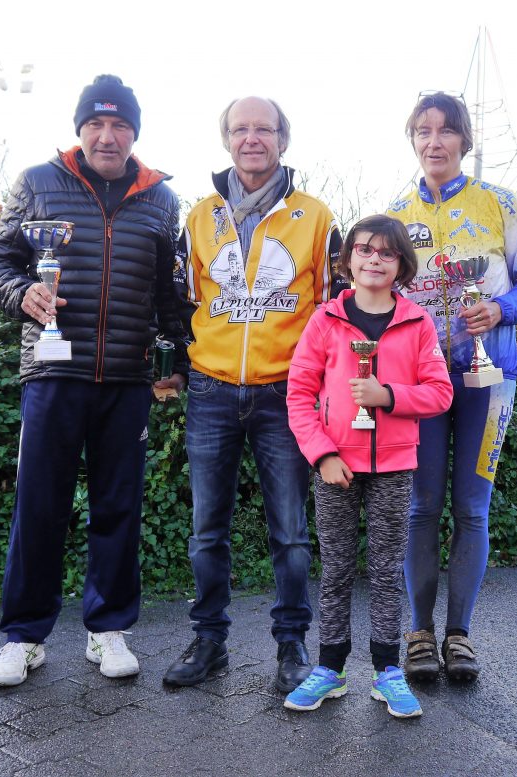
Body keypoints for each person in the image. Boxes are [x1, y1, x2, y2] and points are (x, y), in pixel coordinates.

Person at [0, 74, 188, 687]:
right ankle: (23, 637)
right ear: (79, 129)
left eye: (120, 124)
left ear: (134, 133)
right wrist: (24, 294)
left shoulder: (160, 200)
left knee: (118, 506)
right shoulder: (37, 182)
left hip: (126, 378)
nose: (107, 135)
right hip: (51, 372)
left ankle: (108, 629)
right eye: (96, 124)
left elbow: (168, 294)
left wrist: (173, 365)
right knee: (38, 504)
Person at [162, 96, 345, 692]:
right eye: (239, 129)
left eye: (263, 129)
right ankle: (209, 640)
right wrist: (169, 365)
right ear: (226, 140)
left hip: (285, 394)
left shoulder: (316, 217)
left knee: (290, 531)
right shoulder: (199, 216)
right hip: (212, 390)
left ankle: (291, 644)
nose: (251, 139)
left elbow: (331, 311)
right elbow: (184, 302)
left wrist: (323, 386)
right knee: (206, 529)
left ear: (282, 140)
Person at [387, 92, 517, 682]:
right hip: (419, 381)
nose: (434, 141)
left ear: (464, 140)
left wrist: (499, 310)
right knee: (421, 507)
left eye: (445, 131)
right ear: (413, 141)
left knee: (471, 509)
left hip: (490, 375)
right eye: (422, 131)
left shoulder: (499, 204)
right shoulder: (397, 212)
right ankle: (419, 634)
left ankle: (460, 636)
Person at [283, 215, 453, 718]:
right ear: (348, 259)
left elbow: (440, 393)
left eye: (386, 252)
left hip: (395, 467)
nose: (374, 259)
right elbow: (298, 394)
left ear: (401, 263)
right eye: (364, 250)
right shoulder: (326, 320)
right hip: (335, 466)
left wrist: (388, 396)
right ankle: (330, 669)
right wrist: (323, 454)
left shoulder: (419, 323)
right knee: (335, 569)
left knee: (384, 570)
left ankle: (387, 671)